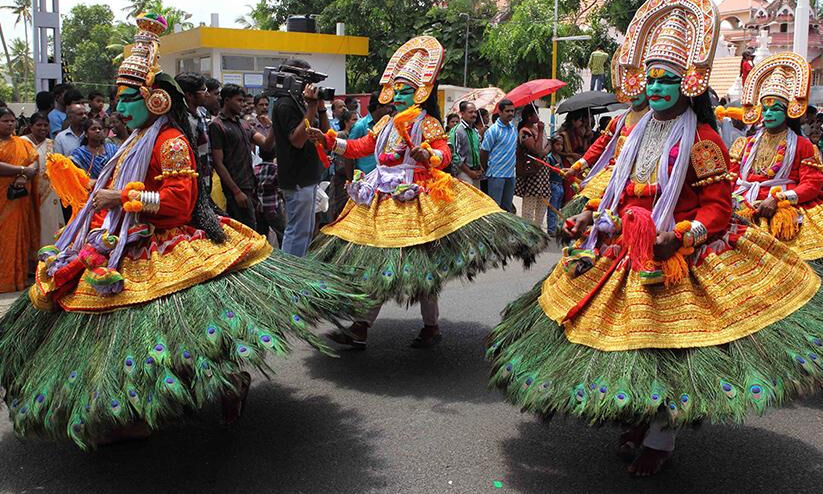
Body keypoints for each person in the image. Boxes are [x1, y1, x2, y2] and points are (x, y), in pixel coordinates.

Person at [0, 12, 369, 449]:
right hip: (127, 242)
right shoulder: (135, 139)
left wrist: (125, 200)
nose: (117, 109)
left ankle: (221, 387)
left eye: (126, 100)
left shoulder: (169, 140)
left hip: (170, 240)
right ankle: (142, 408)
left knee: (182, 330)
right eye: (116, 101)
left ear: (155, 101)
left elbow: (179, 203)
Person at [488, 0, 823, 477]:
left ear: (689, 80)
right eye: (650, 77)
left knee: (669, 351)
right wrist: (591, 218)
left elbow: (720, 209)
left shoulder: (705, 138)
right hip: (624, 247)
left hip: (678, 254)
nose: (656, 86)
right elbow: (620, 190)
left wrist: (683, 236)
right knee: (628, 345)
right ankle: (637, 420)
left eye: (667, 77)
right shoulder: (634, 132)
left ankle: (661, 437)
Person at [310, 36, 548, 349]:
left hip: (414, 199)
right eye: (396, 90)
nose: (399, 95)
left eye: (406, 90)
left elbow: (444, 154)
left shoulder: (429, 123)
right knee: (380, 264)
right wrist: (330, 141)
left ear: (420, 93)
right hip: (380, 199)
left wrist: (428, 157)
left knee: (420, 266)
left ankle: (421, 326)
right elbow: (361, 147)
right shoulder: (385, 122)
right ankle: (364, 326)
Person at [729, 52, 823, 268]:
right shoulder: (745, 144)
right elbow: (730, 178)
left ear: (789, 111)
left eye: (776, 109)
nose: (769, 114)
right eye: (766, 108)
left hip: (780, 207)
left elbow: (812, 184)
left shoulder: (803, 145)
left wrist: (781, 199)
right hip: (742, 204)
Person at [562, 55, 651, 216]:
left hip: (640, 178)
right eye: (630, 92)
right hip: (611, 174)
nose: (634, 96)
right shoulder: (620, 121)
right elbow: (601, 144)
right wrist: (577, 167)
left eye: (638, 90)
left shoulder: (655, 121)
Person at [270, 59, 330, 257]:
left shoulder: (300, 103)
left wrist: (320, 108)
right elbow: (296, 140)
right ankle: (289, 274)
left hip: (308, 177)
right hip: (296, 179)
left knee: (306, 230)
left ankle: (299, 269)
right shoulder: (285, 104)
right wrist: (311, 108)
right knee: (297, 231)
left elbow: (326, 133)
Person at [209, 83, 275, 230]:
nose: (243, 104)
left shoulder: (243, 124)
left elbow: (266, 144)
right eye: (239, 100)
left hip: (251, 186)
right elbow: (218, 163)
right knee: (246, 231)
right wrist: (236, 191)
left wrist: (273, 126)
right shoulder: (218, 126)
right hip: (236, 189)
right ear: (226, 100)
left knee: (256, 230)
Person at [0, 107, 40, 293]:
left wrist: (26, 174)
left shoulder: (22, 143)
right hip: (3, 197)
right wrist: (21, 171)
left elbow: (34, 160)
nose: (10, 124)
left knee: (19, 236)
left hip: (20, 197)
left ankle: (17, 279)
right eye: (5, 121)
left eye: (12, 120)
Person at [22, 112, 65, 246]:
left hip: (49, 192)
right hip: (27, 191)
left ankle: (49, 256)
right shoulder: (22, 142)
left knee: (49, 225)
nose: (43, 128)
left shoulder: (51, 144)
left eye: (46, 125)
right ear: (31, 126)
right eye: (38, 125)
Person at [175, 72, 214, 194]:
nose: (207, 94)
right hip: (192, 181)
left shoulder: (201, 113)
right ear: (189, 96)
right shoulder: (183, 121)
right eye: (203, 91)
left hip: (205, 178)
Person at [514, 104, 551, 226]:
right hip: (532, 173)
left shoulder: (538, 128)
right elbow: (536, 150)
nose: (538, 116)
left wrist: (543, 153)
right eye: (536, 113)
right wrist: (540, 131)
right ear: (529, 117)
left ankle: (538, 229)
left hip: (543, 171)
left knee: (543, 202)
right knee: (529, 206)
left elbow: (548, 146)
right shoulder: (524, 132)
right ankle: (527, 231)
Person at [480, 99, 518, 212]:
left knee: (507, 208)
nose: (511, 113)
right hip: (496, 174)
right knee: (495, 208)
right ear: (500, 112)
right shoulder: (493, 130)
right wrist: (486, 168)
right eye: (507, 111)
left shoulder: (514, 129)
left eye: (512, 111)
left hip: (510, 174)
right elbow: (484, 151)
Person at [348, 91, 395, 176]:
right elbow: (349, 153)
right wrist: (351, 179)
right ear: (378, 107)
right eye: (388, 106)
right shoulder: (360, 126)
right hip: (365, 178)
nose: (390, 110)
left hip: (384, 177)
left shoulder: (389, 125)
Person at [328, 109, 358, 222]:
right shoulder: (341, 135)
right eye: (353, 120)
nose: (356, 122)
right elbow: (340, 158)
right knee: (340, 207)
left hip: (352, 176)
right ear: (346, 122)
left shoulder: (355, 134)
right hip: (341, 178)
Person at [450, 101, 483, 187]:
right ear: (462, 113)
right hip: (463, 173)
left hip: (476, 173)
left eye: (475, 112)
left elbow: (477, 151)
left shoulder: (475, 131)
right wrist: (469, 172)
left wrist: (480, 168)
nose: (474, 115)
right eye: (470, 112)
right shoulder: (457, 130)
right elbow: (454, 156)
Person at [544, 135, 565, 233]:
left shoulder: (560, 157)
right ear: (552, 145)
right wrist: (553, 170)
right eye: (557, 144)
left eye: (561, 145)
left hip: (560, 184)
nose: (560, 147)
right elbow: (546, 173)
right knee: (552, 208)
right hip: (553, 184)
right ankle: (551, 229)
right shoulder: (550, 158)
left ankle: (556, 227)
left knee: (557, 208)